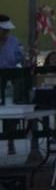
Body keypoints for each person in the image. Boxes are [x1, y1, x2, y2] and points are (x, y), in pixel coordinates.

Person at [0, 14, 29, 155]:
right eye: (3, 30)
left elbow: (22, 58)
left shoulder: (14, 41)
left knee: (13, 109)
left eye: (7, 30)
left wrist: (28, 60)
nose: (6, 32)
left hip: (13, 78)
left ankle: (10, 140)